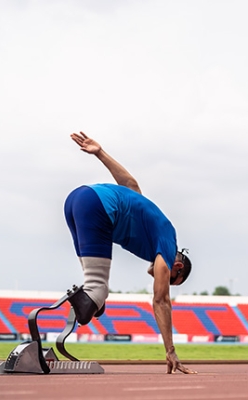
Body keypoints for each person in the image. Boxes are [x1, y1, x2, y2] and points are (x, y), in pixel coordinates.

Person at [64, 131, 196, 374]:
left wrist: (100, 153)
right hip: (97, 207)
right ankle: (94, 298)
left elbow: (130, 185)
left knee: (92, 287)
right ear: (177, 267)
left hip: (75, 199)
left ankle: (93, 300)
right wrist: (170, 350)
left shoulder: (153, 229)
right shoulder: (167, 244)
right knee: (97, 287)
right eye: (170, 280)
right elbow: (160, 300)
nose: (162, 279)